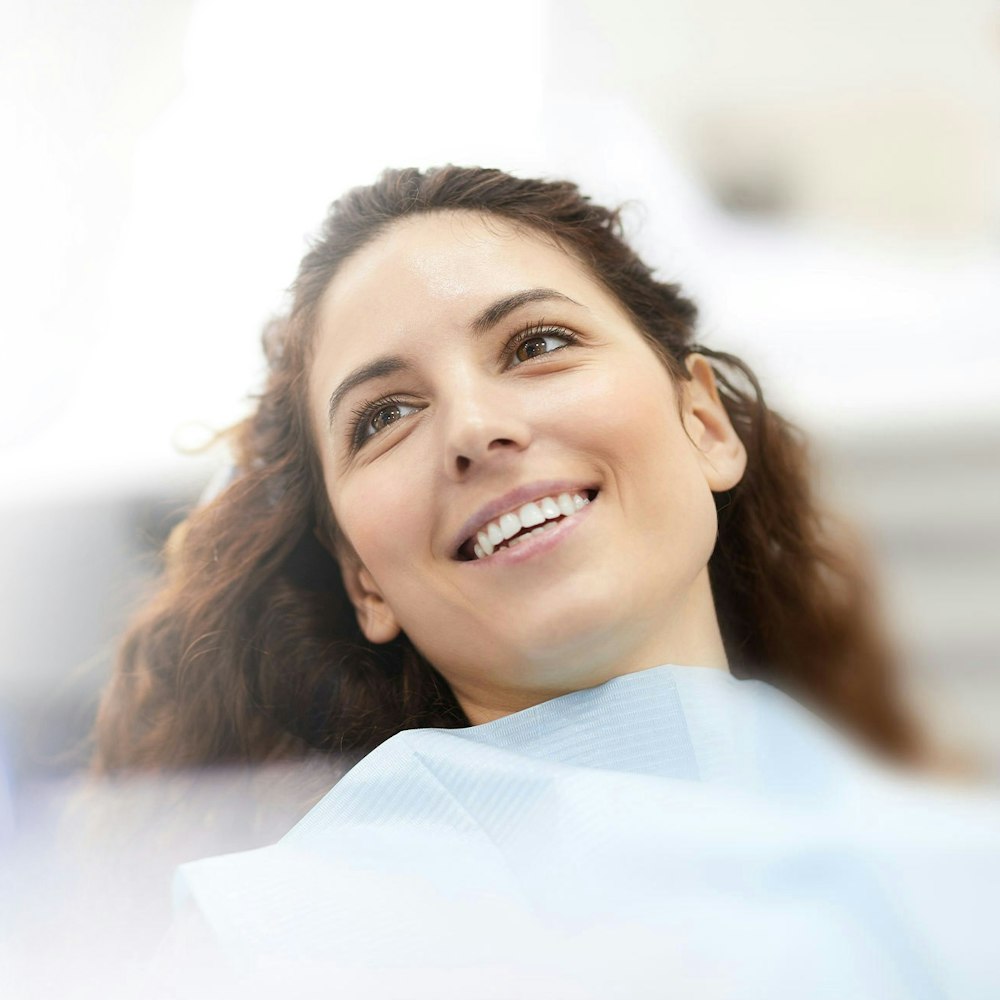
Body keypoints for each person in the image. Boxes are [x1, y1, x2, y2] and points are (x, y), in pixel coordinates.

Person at [93, 167, 999, 997]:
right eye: (386, 416)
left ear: (706, 426)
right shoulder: (275, 943)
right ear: (365, 582)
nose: (475, 428)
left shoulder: (958, 867)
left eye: (537, 343)